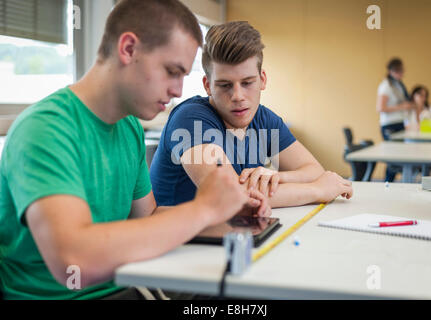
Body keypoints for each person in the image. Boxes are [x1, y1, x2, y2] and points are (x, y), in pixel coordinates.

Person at [0, 0, 270, 300]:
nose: (179, 90)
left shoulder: (128, 126)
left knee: (252, 296)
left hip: (127, 285)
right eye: (172, 71)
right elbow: (73, 260)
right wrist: (203, 208)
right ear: (128, 49)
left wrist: (225, 213)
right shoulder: (45, 129)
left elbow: (147, 219)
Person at [150, 21, 353, 209]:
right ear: (207, 86)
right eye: (225, 85)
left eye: (247, 83)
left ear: (262, 80)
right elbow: (230, 197)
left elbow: (313, 171)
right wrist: (317, 190)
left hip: (228, 235)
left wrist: (276, 177)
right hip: (181, 244)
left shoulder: (263, 119)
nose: (238, 96)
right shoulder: (190, 118)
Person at [376, 58, 414, 182]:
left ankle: (391, 182)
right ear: (391, 71)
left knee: (399, 157)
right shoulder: (386, 86)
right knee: (392, 158)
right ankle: (387, 182)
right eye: (398, 71)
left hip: (399, 123)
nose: (401, 73)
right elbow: (380, 107)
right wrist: (401, 107)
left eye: (402, 71)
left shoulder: (398, 85)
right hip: (389, 125)